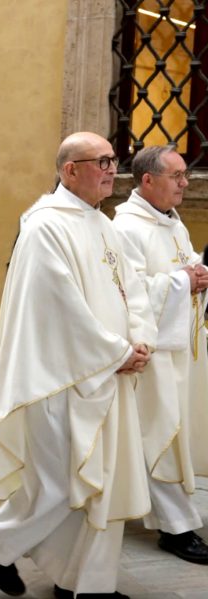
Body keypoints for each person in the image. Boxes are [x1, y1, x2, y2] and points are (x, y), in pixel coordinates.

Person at [0, 132, 157, 598]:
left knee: (102, 483)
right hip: (60, 380)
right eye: (101, 162)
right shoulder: (45, 227)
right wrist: (116, 352)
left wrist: (141, 340)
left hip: (108, 376)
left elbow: (132, 289)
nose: (112, 170)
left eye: (113, 160)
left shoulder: (103, 225)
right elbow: (60, 307)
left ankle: (85, 584)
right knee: (60, 483)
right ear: (70, 170)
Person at [112, 145, 208, 564]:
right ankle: (176, 528)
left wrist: (196, 274)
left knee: (166, 433)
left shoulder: (171, 222)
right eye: (177, 176)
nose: (185, 183)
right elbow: (126, 292)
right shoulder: (126, 228)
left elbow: (180, 270)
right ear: (148, 180)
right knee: (161, 434)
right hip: (150, 351)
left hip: (179, 349)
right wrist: (182, 281)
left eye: (186, 175)